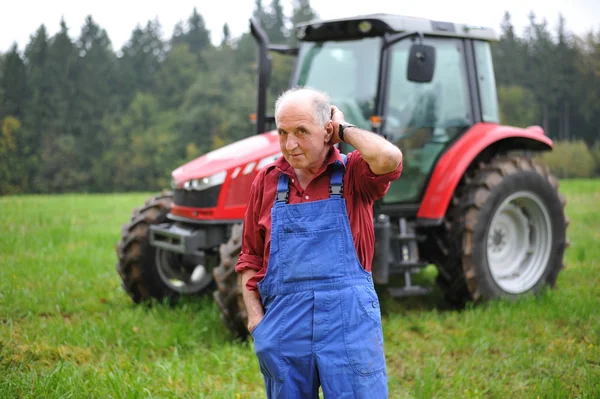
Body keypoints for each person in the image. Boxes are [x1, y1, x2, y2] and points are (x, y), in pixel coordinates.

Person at [235, 86, 403, 398]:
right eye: (283, 132)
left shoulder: (354, 174)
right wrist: (257, 320)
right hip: (284, 327)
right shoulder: (268, 181)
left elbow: (389, 158)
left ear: (327, 131)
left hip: (349, 323)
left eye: (301, 131)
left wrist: (344, 129)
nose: (290, 144)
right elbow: (250, 258)